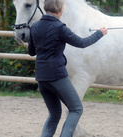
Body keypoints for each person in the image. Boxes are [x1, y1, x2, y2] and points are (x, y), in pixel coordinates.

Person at [27, 0, 107, 136]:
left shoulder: (34, 27)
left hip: (41, 78)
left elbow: (31, 52)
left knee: (54, 114)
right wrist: (99, 33)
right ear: (60, 10)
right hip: (57, 76)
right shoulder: (60, 28)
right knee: (76, 108)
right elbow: (82, 43)